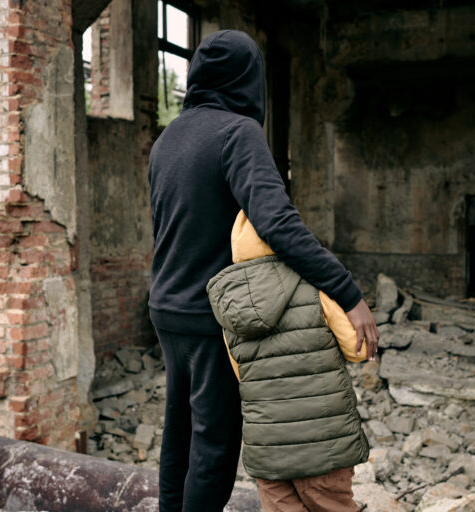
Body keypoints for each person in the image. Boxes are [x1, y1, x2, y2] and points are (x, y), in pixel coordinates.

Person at [147, 29, 379, 511]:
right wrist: (348, 294)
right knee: (214, 451)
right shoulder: (237, 133)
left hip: (167, 308)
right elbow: (279, 224)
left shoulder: (168, 139)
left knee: (180, 441)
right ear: (249, 80)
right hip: (214, 320)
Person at [207, 210, 372, 511]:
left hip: (268, 453)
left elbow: (241, 374)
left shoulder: (227, 305)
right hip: (324, 449)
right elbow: (358, 350)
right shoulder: (314, 283)